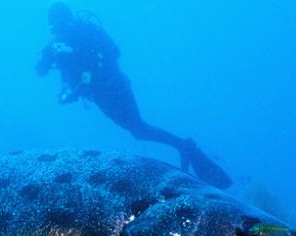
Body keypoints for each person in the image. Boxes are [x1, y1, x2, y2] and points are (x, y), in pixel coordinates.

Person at [36, 2, 232, 189]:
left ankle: (187, 148)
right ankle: (186, 147)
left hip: (116, 87)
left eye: (63, 23)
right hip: (100, 96)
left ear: (69, 19)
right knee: (138, 131)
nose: (61, 29)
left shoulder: (87, 30)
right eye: (57, 26)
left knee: (139, 129)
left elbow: (114, 52)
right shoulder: (56, 45)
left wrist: (88, 63)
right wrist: (48, 57)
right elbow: (41, 71)